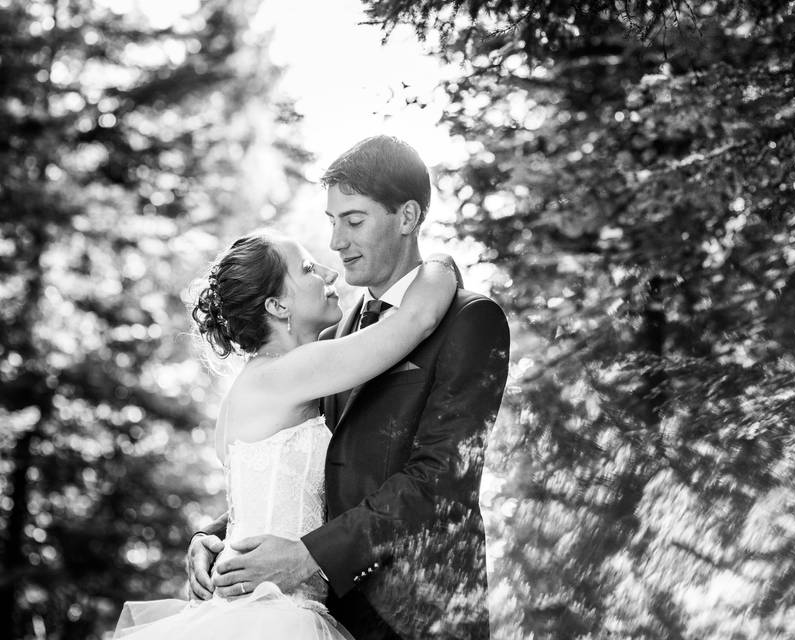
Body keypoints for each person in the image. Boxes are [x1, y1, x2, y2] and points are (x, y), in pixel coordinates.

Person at [188, 136, 511, 639]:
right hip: (317, 615)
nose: (336, 243)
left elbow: (440, 480)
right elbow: (310, 468)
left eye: (354, 220)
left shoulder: (470, 319)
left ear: (407, 217)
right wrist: (221, 535)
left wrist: (310, 555)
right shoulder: (332, 337)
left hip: (418, 617)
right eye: (331, 221)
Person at [113, 228, 461, 638]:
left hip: (249, 606)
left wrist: (208, 534)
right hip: (276, 614)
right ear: (277, 305)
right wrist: (441, 262)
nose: (331, 274)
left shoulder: (255, 384)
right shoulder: (288, 374)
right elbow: (418, 319)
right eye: (309, 269)